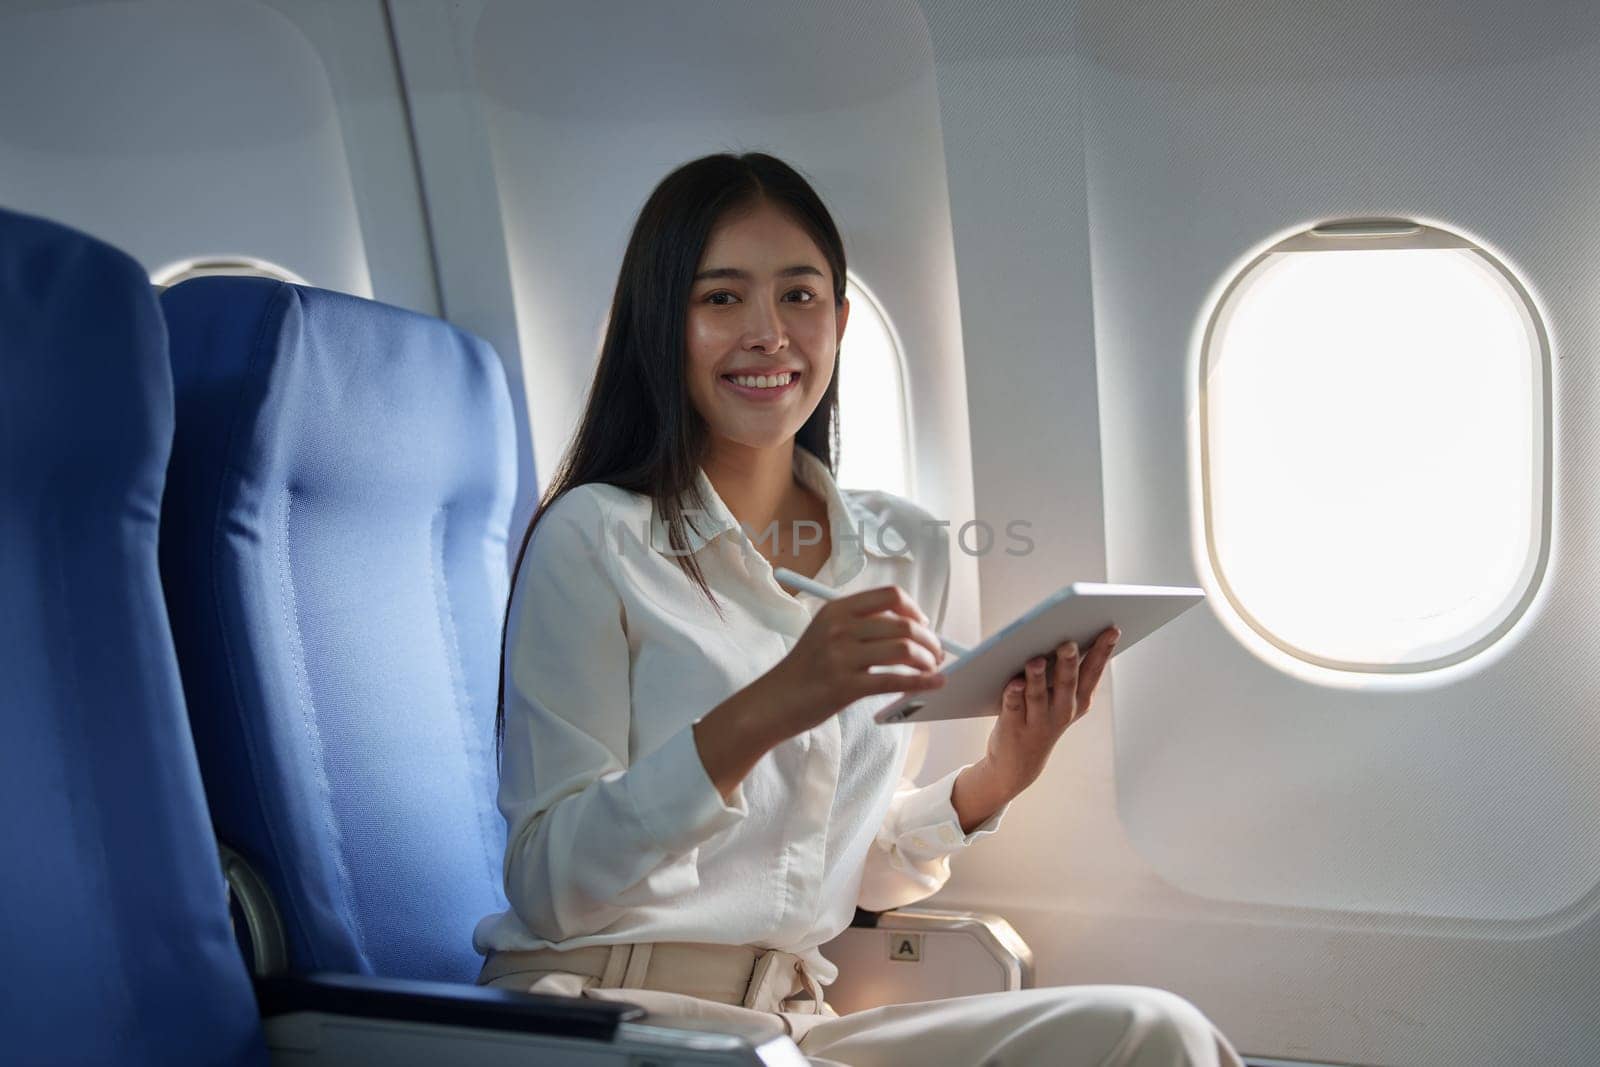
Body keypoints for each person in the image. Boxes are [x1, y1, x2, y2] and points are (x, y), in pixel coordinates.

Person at [473, 151, 1244, 1067]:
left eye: (799, 297)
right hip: (609, 1018)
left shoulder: (900, 548)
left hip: (790, 1027)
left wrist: (999, 774)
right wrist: (769, 706)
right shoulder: (594, 537)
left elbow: (833, 861)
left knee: (1154, 1033)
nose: (769, 333)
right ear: (661, 324)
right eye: (721, 299)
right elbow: (550, 883)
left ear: (839, 321)